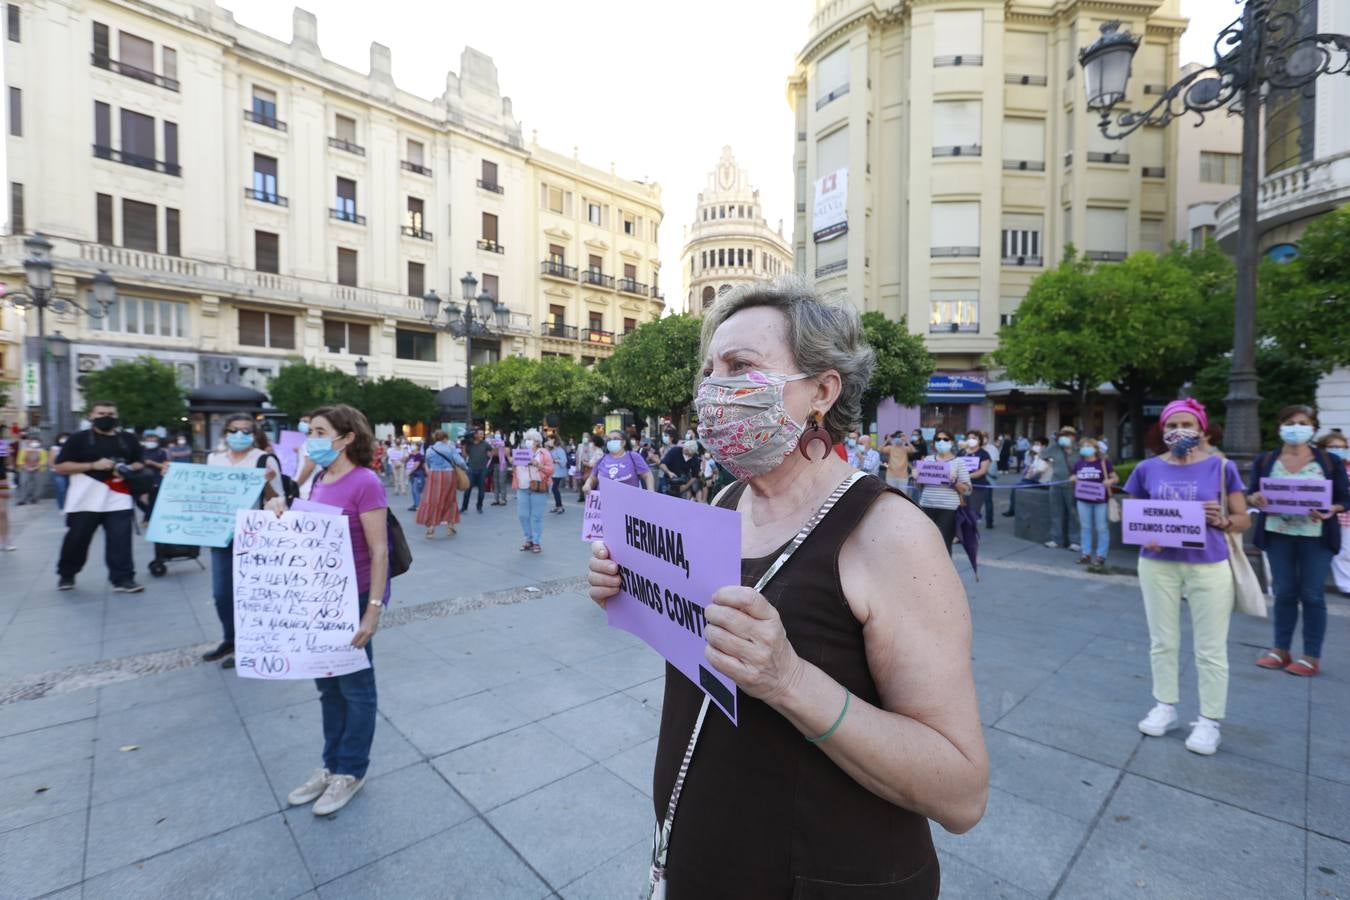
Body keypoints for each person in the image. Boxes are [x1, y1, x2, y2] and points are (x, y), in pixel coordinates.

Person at [586, 282, 987, 897]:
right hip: (704, 862)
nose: (712, 393)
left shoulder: (890, 534)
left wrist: (790, 681)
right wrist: (633, 586)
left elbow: (960, 792)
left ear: (823, 390)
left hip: (829, 878)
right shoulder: (726, 501)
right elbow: (708, 657)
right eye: (709, 371)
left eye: (740, 368)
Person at [269, 404, 388, 817]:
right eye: (310, 432)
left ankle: (351, 771)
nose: (311, 440)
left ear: (347, 436)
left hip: (351, 600)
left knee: (356, 690)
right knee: (328, 688)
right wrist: (279, 512)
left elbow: (378, 549)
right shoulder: (320, 478)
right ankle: (331, 763)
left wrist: (372, 610)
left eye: (319, 432)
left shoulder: (365, 482)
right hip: (319, 602)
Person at [1124, 398, 1250, 756]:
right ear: (1161, 430)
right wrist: (1144, 533)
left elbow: (1244, 518)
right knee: (1161, 640)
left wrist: (1223, 520)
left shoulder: (1221, 468)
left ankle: (1209, 720)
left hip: (1209, 564)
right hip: (1157, 564)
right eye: (1171, 425)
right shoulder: (1147, 469)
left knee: (1210, 647)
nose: (1179, 431)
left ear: (1202, 429)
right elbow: (1130, 514)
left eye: (1187, 425)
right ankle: (1165, 705)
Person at [1249, 407, 1350, 677]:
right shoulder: (1267, 459)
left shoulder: (1329, 462)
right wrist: (1255, 498)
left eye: (1302, 423)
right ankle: (1280, 649)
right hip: (1277, 534)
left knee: (1312, 594)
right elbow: (1251, 493)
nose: (1296, 428)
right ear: (1280, 426)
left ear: (1313, 428)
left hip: (1315, 537)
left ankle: (1310, 656)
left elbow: (1344, 497)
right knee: (1284, 592)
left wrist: (1333, 509)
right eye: (1290, 423)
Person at [201, 413, 282, 669]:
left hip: (253, 536)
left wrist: (266, 484)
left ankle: (250, 644)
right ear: (225, 433)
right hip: (221, 533)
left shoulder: (263, 459)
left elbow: (277, 500)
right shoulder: (213, 459)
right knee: (222, 593)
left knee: (250, 594)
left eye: (246, 431)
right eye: (234, 430)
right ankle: (231, 638)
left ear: (254, 434)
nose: (240, 435)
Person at [52, 401, 146, 593]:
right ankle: (67, 574)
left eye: (111, 414)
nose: (106, 417)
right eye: (101, 413)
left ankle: (123, 578)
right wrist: (92, 465)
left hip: (118, 498)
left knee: (121, 541)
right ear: (91, 416)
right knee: (77, 539)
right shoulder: (78, 439)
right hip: (85, 499)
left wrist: (127, 469)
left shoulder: (128, 439)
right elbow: (60, 467)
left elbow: (140, 463)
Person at [918, 428, 972, 554]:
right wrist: (917, 477)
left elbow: (967, 490)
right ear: (934, 443)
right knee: (925, 543)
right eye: (938, 439)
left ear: (952, 442)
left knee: (944, 544)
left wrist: (954, 481)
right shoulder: (927, 460)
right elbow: (919, 486)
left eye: (945, 439)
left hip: (948, 508)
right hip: (926, 505)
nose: (941, 442)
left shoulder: (959, 462)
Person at [1071, 437, 1117, 569]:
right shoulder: (1079, 464)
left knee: (1102, 528)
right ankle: (1086, 554)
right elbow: (1074, 476)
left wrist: (1111, 481)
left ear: (1095, 449)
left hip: (1100, 501)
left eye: (1088, 446)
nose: (1085, 448)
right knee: (1085, 528)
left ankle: (1101, 556)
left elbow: (1115, 477)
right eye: (1083, 446)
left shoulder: (1103, 463)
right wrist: (1073, 478)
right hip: (1083, 501)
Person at [417, 431, 465, 538]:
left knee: (433, 500)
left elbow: (428, 463)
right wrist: (465, 468)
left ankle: (431, 528)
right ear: (445, 438)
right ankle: (450, 526)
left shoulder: (430, 449)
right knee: (450, 499)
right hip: (448, 474)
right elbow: (460, 461)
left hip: (434, 474)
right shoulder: (450, 448)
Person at [514, 428, 554, 553]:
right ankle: (528, 539)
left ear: (537, 442)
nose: (528, 442)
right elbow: (515, 467)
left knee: (536, 516)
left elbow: (550, 470)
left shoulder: (543, 453)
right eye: (526, 439)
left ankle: (536, 542)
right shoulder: (521, 452)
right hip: (522, 487)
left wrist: (537, 464)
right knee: (522, 515)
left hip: (538, 487)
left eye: (530, 439)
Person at [581, 430, 655, 493]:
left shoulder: (633, 457)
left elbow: (647, 475)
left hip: (630, 503)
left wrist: (650, 491)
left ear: (623, 443)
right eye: (609, 439)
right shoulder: (602, 459)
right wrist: (587, 485)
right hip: (605, 503)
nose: (611, 441)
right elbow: (593, 478)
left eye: (615, 439)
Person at [1322, 430, 1350, 594]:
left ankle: (1345, 584)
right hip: (1323, 516)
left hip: (1346, 516)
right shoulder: (1319, 466)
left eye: (1342, 447)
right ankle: (1344, 584)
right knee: (1335, 551)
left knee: (1345, 551)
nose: (1338, 450)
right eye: (1333, 447)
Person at [1044, 426, 1080, 551]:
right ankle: (1056, 539)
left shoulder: (1080, 450)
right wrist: (1053, 441)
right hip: (1056, 484)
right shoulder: (1055, 448)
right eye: (1063, 435)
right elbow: (1043, 454)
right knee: (1056, 513)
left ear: (1074, 437)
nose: (1065, 437)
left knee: (1073, 513)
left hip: (1073, 486)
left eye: (1068, 435)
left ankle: (1075, 541)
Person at [1004, 437, 1052, 516]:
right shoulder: (1037, 456)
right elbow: (1031, 468)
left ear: (1044, 446)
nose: (1035, 446)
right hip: (1034, 479)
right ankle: (1012, 509)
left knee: (1016, 488)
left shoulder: (1047, 457)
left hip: (1042, 482)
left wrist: (1031, 473)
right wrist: (1029, 472)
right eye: (1035, 444)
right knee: (1016, 487)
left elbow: (1040, 470)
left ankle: (1013, 510)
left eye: (1038, 444)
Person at [959, 431, 993, 530]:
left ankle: (970, 536)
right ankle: (960, 534)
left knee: (972, 512)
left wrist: (967, 476)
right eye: (969, 437)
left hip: (977, 487)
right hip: (961, 486)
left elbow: (983, 471)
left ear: (979, 440)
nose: (971, 440)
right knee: (961, 511)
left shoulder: (984, 454)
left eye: (974, 438)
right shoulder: (961, 452)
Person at [137, 432, 170, 524]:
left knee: (152, 500)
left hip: (156, 479)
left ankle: (147, 519)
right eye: (149, 438)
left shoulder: (162, 452)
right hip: (140, 479)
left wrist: (152, 463)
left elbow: (166, 466)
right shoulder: (140, 450)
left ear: (157, 439)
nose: (151, 440)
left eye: (153, 438)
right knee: (138, 500)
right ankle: (150, 515)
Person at [460, 428, 491, 514]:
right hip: (471, 470)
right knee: (467, 489)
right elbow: (465, 455)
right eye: (480, 434)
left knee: (481, 490)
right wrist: (463, 446)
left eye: (482, 434)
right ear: (475, 435)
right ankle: (464, 507)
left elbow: (491, 452)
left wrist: (497, 448)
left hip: (482, 470)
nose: (482, 435)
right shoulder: (469, 444)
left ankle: (479, 507)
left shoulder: (485, 444)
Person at [15, 435, 47, 507]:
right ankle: (22, 500)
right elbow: (19, 461)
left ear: (40, 443)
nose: (34, 443)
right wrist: (27, 468)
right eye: (32, 442)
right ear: (29, 442)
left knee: (38, 484)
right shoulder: (23, 450)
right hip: (24, 469)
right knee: (23, 483)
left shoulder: (42, 451)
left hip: (38, 469)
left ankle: (35, 498)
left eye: (36, 442)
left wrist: (35, 467)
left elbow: (43, 461)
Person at [50, 433, 71, 510]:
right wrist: (56, 469)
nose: (64, 440)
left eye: (66, 438)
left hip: (70, 472)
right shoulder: (55, 448)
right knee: (61, 490)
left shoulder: (72, 448)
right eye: (62, 438)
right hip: (59, 473)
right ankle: (62, 507)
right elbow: (51, 462)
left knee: (69, 490)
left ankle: (69, 506)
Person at [548, 436, 568, 514]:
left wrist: (555, 460)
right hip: (554, 472)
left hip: (558, 472)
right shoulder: (553, 450)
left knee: (554, 489)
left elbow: (564, 461)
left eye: (550, 440)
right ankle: (557, 506)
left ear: (554, 440)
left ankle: (560, 506)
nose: (549, 441)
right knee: (554, 489)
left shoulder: (560, 450)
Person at [406, 443, 426, 512]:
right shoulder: (411, 455)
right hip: (413, 474)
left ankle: (418, 505)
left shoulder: (419, 456)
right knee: (413, 491)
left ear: (418, 448)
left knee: (416, 490)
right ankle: (415, 504)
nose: (412, 448)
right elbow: (406, 460)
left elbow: (416, 465)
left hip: (418, 474)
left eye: (414, 447)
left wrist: (409, 472)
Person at [491, 437, 511, 507]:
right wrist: (495, 447)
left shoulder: (505, 443)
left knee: (502, 481)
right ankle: (496, 499)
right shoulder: (493, 444)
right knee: (495, 482)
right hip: (495, 464)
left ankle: (503, 499)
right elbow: (493, 454)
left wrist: (501, 447)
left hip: (503, 464)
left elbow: (507, 452)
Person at [0, 439, 12, 551]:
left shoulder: (2, 443)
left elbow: (8, 463)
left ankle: (5, 541)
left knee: (2, 512)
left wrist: (8, 453)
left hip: (1, 479)